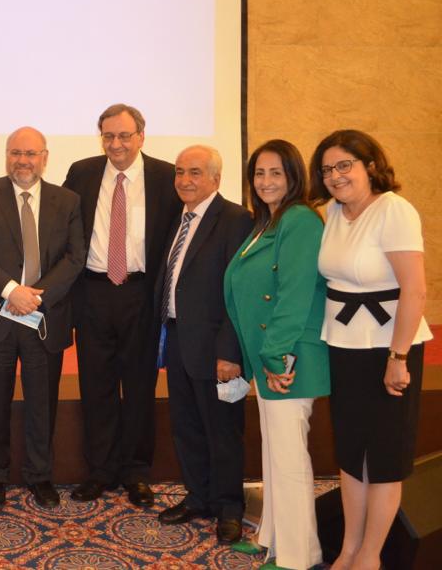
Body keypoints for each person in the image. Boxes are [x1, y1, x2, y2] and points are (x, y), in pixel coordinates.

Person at [310, 130, 431, 570]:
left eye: (345, 165)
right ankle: (348, 549)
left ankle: (370, 556)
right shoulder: (332, 212)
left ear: (370, 166)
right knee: (351, 454)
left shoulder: (394, 210)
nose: (335, 176)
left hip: (388, 347)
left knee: (383, 458)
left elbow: (415, 290)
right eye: (327, 169)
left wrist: (398, 358)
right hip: (344, 344)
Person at [62, 103, 179, 507]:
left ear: (141, 137)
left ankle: (136, 472)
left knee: (139, 386)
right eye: (108, 136)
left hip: (141, 294)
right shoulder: (82, 173)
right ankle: (100, 470)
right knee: (96, 386)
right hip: (93, 293)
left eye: (124, 135)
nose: (116, 144)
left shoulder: (166, 176)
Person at [0, 127, 85, 509]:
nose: (23, 161)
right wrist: (10, 291)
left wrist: (35, 297)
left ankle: (40, 476)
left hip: (43, 319)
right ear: (7, 156)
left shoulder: (68, 201)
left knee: (42, 404)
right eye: (16, 153)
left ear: (44, 157)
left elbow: (75, 257)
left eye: (31, 153)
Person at [223, 140, 330, 569]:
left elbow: (294, 294)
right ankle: (271, 538)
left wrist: (275, 357)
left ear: (293, 176)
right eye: (259, 173)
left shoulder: (300, 220)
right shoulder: (268, 222)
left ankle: (299, 556)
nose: (265, 181)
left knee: (289, 460)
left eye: (276, 173)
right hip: (270, 354)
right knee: (274, 453)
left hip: (288, 356)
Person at [154, 145, 252, 544]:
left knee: (222, 430)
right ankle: (199, 497)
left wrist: (230, 351)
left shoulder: (235, 219)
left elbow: (239, 292)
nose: (184, 180)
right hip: (178, 339)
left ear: (216, 178)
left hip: (217, 349)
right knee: (187, 426)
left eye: (194, 172)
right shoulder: (180, 217)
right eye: (179, 172)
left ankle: (229, 507)